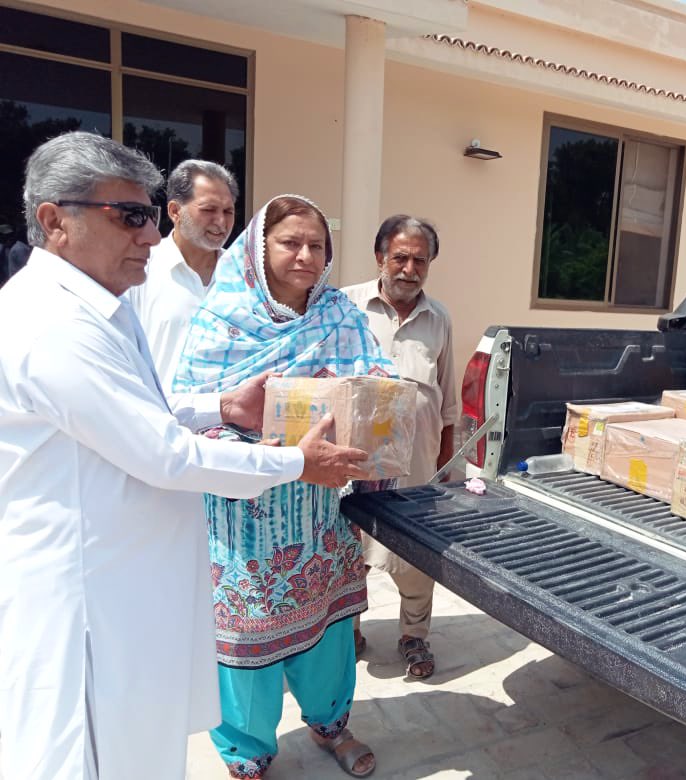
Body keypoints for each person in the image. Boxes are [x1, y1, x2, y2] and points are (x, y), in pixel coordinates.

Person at [0, 132, 371, 780]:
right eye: (131, 216)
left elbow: (146, 413)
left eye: (149, 214)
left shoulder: (99, 312)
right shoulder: (52, 326)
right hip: (88, 603)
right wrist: (292, 463)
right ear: (54, 220)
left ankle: (325, 721)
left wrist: (223, 408)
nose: (149, 234)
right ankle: (248, 754)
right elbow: (165, 455)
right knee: (88, 757)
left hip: (166, 574)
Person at [174, 195, 393, 778]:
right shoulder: (220, 320)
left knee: (326, 635)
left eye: (316, 245)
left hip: (317, 515)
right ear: (258, 249)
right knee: (246, 649)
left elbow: (377, 380)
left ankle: (330, 726)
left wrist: (363, 390)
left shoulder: (341, 315)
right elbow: (188, 419)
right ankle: (247, 754)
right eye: (290, 242)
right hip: (245, 518)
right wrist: (270, 450)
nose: (305, 255)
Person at [343, 214, 458, 679]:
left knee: (415, 554)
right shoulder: (345, 305)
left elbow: (448, 398)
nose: (410, 269)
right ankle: (347, 630)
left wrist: (448, 464)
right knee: (349, 552)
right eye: (400, 258)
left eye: (420, 260)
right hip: (356, 462)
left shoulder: (439, 318)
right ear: (380, 258)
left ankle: (414, 636)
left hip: (416, 462)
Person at [127, 159, 238, 392]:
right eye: (209, 210)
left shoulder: (243, 274)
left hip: (231, 423)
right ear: (175, 211)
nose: (221, 222)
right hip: (160, 420)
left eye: (228, 211)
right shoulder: (140, 269)